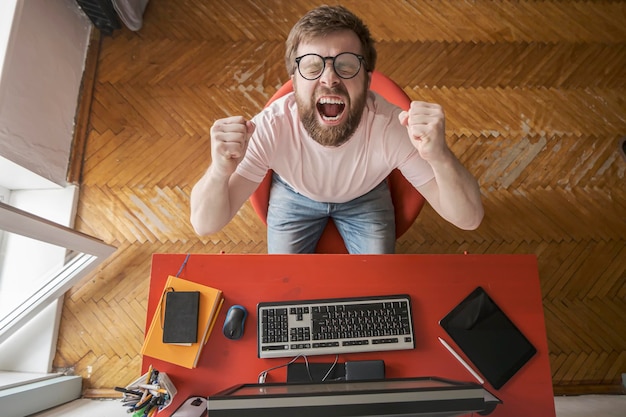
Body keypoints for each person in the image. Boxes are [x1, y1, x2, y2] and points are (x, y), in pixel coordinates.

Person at [190, 5, 483, 254]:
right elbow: (205, 224)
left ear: (367, 79)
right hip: (294, 196)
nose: (329, 79)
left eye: (346, 65)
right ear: (295, 79)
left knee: (379, 294)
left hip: (366, 197)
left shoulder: (391, 127)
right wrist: (219, 171)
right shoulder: (271, 127)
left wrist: (441, 156)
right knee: (285, 290)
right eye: (313, 66)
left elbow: (469, 219)